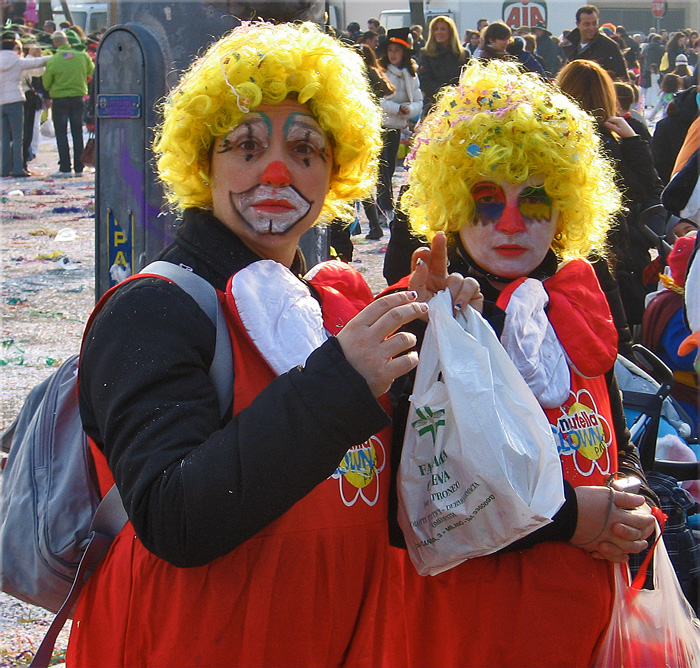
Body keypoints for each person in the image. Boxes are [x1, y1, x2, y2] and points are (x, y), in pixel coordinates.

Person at [65, 21, 458, 667]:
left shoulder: (323, 308)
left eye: (305, 150)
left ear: (335, 170)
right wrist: (341, 381)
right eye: (246, 146)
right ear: (203, 161)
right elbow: (175, 515)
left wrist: (419, 333)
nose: (276, 171)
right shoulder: (153, 308)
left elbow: (392, 498)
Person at [390, 58, 657, 668]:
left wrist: (632, 501)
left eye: (534, 199)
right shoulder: (429, 318)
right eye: (487, 201)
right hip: (472, 630)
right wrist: (572, 519)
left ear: (565, 208)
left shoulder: (579, 302)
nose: (511, 224)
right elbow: (428, 505)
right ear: (453, 205)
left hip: (586, 624)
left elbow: (616, 439)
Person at [557, 59, 664, 329]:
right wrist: (632, 141)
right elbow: (646, 188)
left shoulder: (555, 135)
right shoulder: (616, 136)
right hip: (616, 249)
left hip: (565, 246)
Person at [377, 28, 422, 229]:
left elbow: (418, 100)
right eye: (390, 50)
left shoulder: (410, 74)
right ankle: (383, 206)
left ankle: (387, 204)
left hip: (398, 126)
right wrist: (397, 108)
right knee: (382, 168)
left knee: (391, 167)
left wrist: (409, 110)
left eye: (397, 50)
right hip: (380, 124)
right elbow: (376, 99)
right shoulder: (382, 71)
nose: (393, 54)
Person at [42, 30, 94, 177]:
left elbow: (46, 83)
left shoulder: (53, 60)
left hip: (59, 100)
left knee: (61, 133)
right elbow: (91, 71)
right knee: (77, 133)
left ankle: (65, 167)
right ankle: (79, 167)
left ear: (55, 43)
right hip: (78, 98)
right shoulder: (82, 56)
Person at [0, 31, 49, 177]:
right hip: (15, 100)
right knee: (17, 136)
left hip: (1, 102)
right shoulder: (17, 61)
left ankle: (3, 168)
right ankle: (17, 168)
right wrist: (56, 56)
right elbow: (37, 63)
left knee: (3, 137)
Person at [417, 15, 467, 119]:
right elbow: (425, 81)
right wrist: (445, 94)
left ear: (450, 32)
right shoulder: (426, 54)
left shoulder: (462, 54)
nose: (439, 32)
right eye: (436, 29)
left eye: (443, 29)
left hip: (459, 106)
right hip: (434, 106)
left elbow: (468, 79)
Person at [561, 4, 628, 81]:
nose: (591, 28)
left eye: (594, 23)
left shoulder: (609, 46)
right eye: (587, 24)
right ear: (578, 24)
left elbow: (622, 79)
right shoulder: (569, 44)